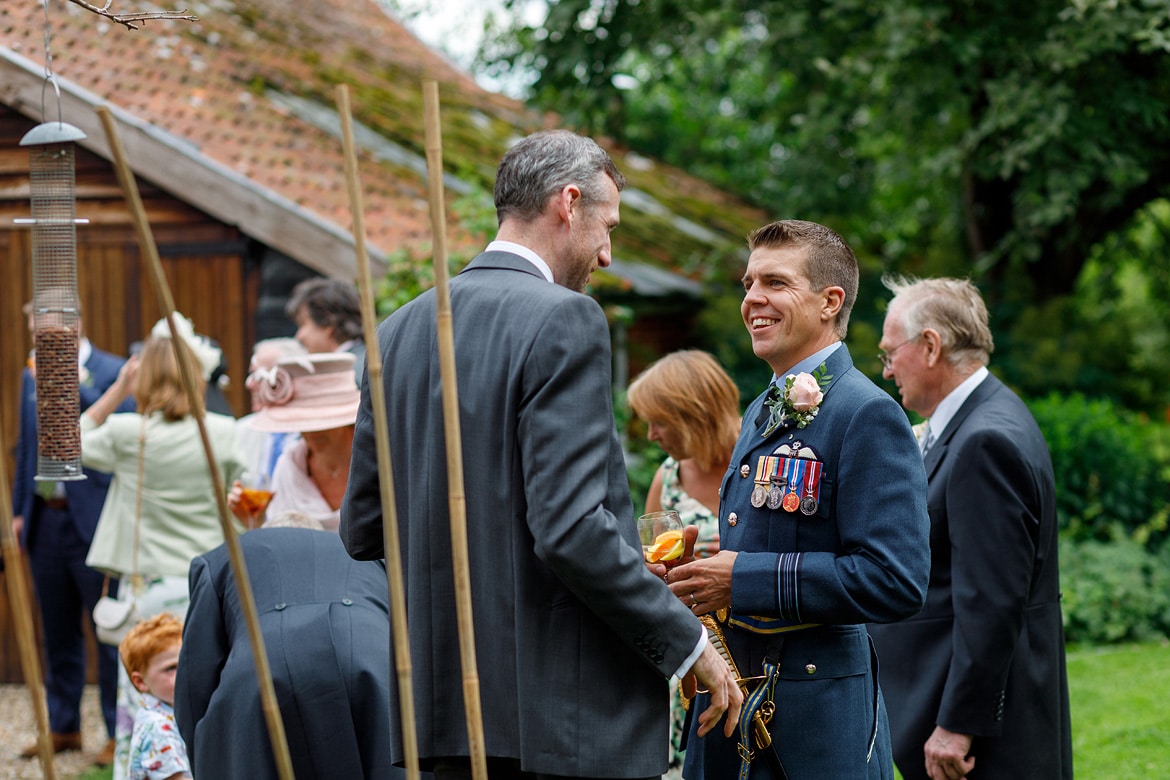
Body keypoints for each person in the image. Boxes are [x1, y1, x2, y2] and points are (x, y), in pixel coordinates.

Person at [341, 129, 742, 779]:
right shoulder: (565, 319)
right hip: (561, 723)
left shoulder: (396, 333)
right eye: (607, 226)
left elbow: (362, 530)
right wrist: (685, 639)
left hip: (441, 717)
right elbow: (570, 529)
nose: (608, 254)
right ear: (567, 202)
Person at [665, 219, 931, 779]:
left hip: (815, 724)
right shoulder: (766, 403)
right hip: (736, 703)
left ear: (830, 301)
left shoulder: (867, 413)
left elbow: (896, 580)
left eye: (775, 283)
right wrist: (704, 573)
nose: (753, 299)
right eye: (747, 284)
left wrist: (743, 579)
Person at [867, 277, 1073, 780]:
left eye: (890, 353)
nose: (888, 369)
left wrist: (957, 725)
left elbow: (992, 603)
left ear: (931, 346)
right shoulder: (987, 416)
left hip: (983, 742)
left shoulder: (983, 442)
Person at [81, 318, 245, 780]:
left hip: (148, 599)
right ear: (199, 374)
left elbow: (66, 444)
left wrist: (115, 391)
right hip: (207, 591)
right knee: (210, 698)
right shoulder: (224, 431)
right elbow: (249, 495)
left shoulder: (127, 432)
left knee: (141, 713)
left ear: (143, 376)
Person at [174, 512, 406, 778]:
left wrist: (207, 750)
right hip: (369, 654)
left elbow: (197, 677)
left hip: (263, 662)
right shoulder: (375, 558)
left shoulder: (221, 557)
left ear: (265, 533)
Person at [11, 298, 129, 765]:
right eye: (34, 329)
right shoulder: (28, 374)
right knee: (56, 628)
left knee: (107, 626)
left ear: (76, 326)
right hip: (45, 518)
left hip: (94, 519)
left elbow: (112, 434)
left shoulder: (113, 373)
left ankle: (116, 732)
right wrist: (22, 509)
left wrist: (66, 384)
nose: (39, 339)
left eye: (47, 329)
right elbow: (27, 446)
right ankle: (63, 728)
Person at [626, 349, 740, 775]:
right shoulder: (668, 478)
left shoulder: (760, 464)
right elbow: (651, 572)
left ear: (693, 412)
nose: (652, 435)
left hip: (757, 649)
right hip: (692, 658)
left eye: (660, 421)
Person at [228, 353, 359, 531]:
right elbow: (282, 543)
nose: (310, 432)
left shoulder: (379, 462)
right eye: (301, 422)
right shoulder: (290, 466)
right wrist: (256, 523)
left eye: (321, 422)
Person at [119, 614, 192, 780]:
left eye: (185, 662)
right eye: (171, 668)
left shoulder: (171, 713)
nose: (183, 673)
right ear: (140, 681)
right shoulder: (158, 727)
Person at [235, 337, 307, 482]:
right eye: (251, 374)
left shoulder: (313, 433)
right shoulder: (242, 431)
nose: (250, 384)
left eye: (259, 375)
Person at [286, 277, 366, 383]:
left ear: (328, 324)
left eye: (303, 324)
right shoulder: (368, 362)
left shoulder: (347, 376)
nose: (298, 336)